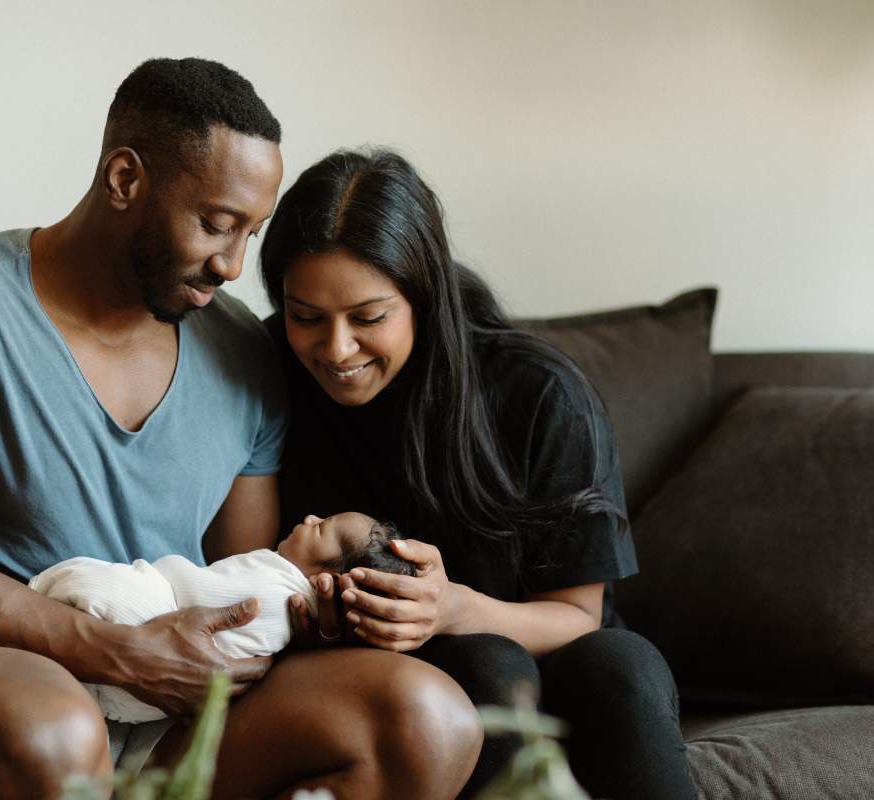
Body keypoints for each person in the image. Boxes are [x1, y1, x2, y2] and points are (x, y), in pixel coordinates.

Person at [0, 60, 481, 800]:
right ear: (124, 180)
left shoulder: (242, 350)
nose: (235, 265)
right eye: (216, 223)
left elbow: (240, 577)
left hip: (175, 694)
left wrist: (308, 617)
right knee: (57, 734)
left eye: (251, 232)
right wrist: (120, 654)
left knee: (430, 718)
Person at [260, 148, 699, 800]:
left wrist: (453, 608)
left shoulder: (539, 393)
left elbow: (580, 615)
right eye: (306, 317)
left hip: (549, 652)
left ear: (424, 295)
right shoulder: (269, 378)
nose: (336, 349)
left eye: (369, 317)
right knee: (488, 665)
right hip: (383, 673)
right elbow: (245, 569)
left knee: (623, 663)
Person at [30, 512, 415, 723]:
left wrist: (168, 570)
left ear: (325, 580)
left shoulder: (274, 585)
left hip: (141, 626)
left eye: (322, 528)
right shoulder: (290, 608)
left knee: (112, 587)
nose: (310, 517)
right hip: (136, 711)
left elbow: (196, 592)